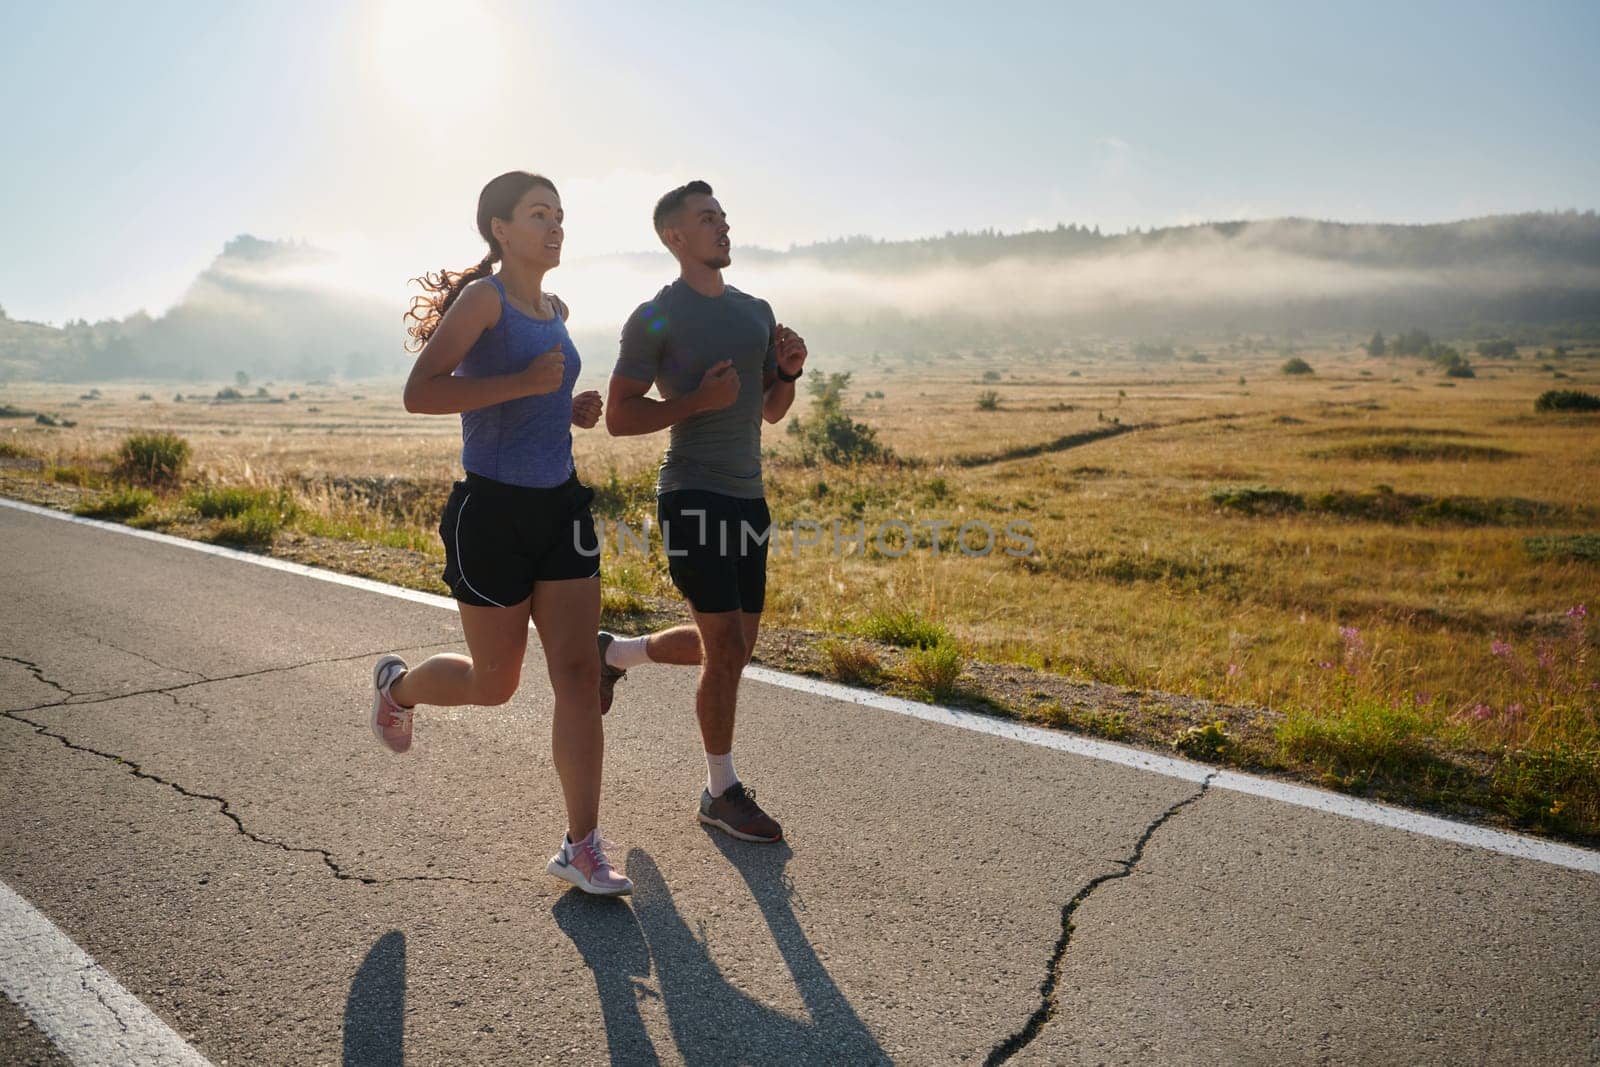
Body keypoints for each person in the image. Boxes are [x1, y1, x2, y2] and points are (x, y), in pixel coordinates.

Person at [368, 170, 631, 896]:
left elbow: (535, 396)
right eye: (538, 214)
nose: (555, 226)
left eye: (560, 215)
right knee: (495, 684)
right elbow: (422, 393)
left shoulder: (555, 306)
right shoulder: (483, 301)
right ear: (500, 229)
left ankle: (582, 846)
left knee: (577, 674)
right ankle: (399, 687)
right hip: (490, 513)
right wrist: (524, 386)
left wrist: (566, 408)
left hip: (560, 508)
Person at [601, 180, 808, 844]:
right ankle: (721, 791)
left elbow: (769, 412)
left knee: (736, 648)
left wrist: (789, 373)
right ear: (675, 238)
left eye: (722, 216)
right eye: (705, 218)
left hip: (748, 496)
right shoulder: (655, 316)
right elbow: (619, 415)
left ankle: (617, 653)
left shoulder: (756, 312)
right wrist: (693, 402)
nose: (721, 226)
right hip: (690, 493)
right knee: (723, 647)